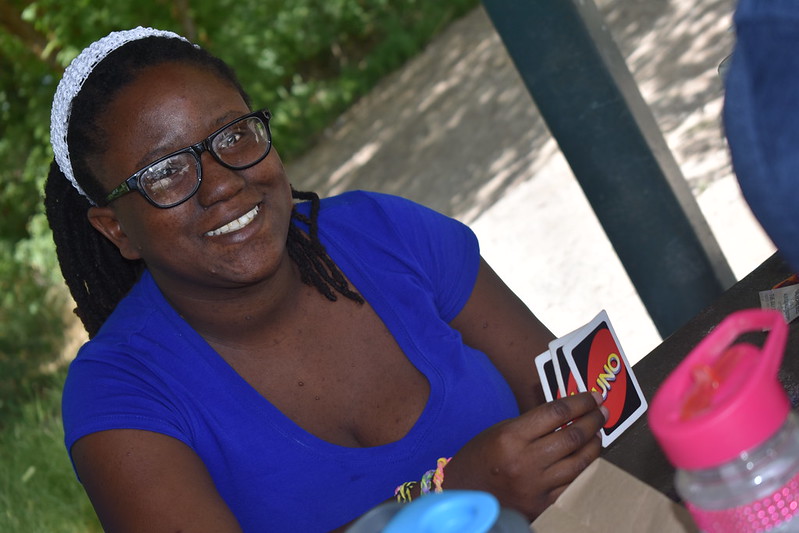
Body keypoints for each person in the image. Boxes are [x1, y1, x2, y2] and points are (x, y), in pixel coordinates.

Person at [45, 27, 607, 532]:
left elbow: (580, 400)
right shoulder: (122, 394)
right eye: (165, 172)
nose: (221, 184)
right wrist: (454, 497)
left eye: (234, 135)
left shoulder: (386, 232)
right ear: (116, 228)